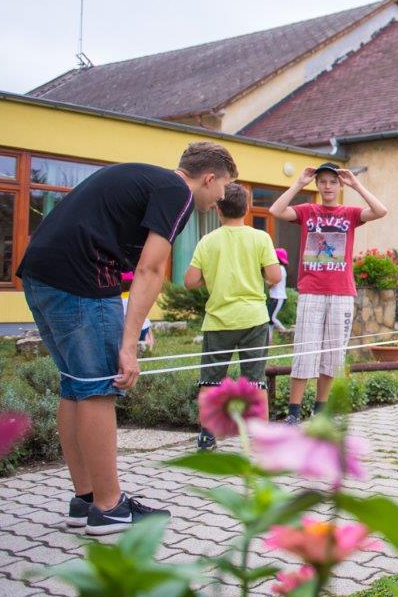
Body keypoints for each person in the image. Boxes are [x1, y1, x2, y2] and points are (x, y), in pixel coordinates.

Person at [18, 141, 235, 535]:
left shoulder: (146, 178)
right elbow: (151, 270)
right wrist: (129, 344)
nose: (219, 200)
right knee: (99, 389)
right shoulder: (177, 194)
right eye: (222, 189)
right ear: (209, 178)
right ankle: (109, 507)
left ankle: (86, 500)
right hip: (81, 280)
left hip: (41, 274)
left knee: (76, 387)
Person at [270, 162, 388, 423]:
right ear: (317, 185)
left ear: (339, 184)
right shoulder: (307, 211)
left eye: (333, 181)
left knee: (333, 355)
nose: (327, 186)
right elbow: (276, 210)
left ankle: (320, 411)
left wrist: (356, 184)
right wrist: (299, 183)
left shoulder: (350, 213)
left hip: (342, 292)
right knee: (305, 352)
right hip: (311, 290)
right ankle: (293, 412)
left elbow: (381, 210)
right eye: (322, 181)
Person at [184, 183, 283, 450]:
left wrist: (212, 277)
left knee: (211, 380)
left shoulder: (208, 240)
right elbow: (275, 276)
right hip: (253, 319)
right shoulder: (260, 238)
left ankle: (207, 436)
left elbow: (190, 281)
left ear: (218, 208)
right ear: (247, 208)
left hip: (218, 322)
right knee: (255, 380)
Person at [119, 272, 155, 353]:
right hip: (143, 327)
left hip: (128, 331)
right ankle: (149, 345)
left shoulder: (118, 299)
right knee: (147, 327)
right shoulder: (137, 295)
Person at [267, 248, 289, 331]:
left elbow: (272, 283)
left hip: (278, 297)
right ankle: (269, 340)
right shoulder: (280, 268)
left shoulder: (279, 268)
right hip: (275, 297)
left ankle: (285, 331)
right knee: (269, 320)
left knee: (271, 318)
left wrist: (264, 283)